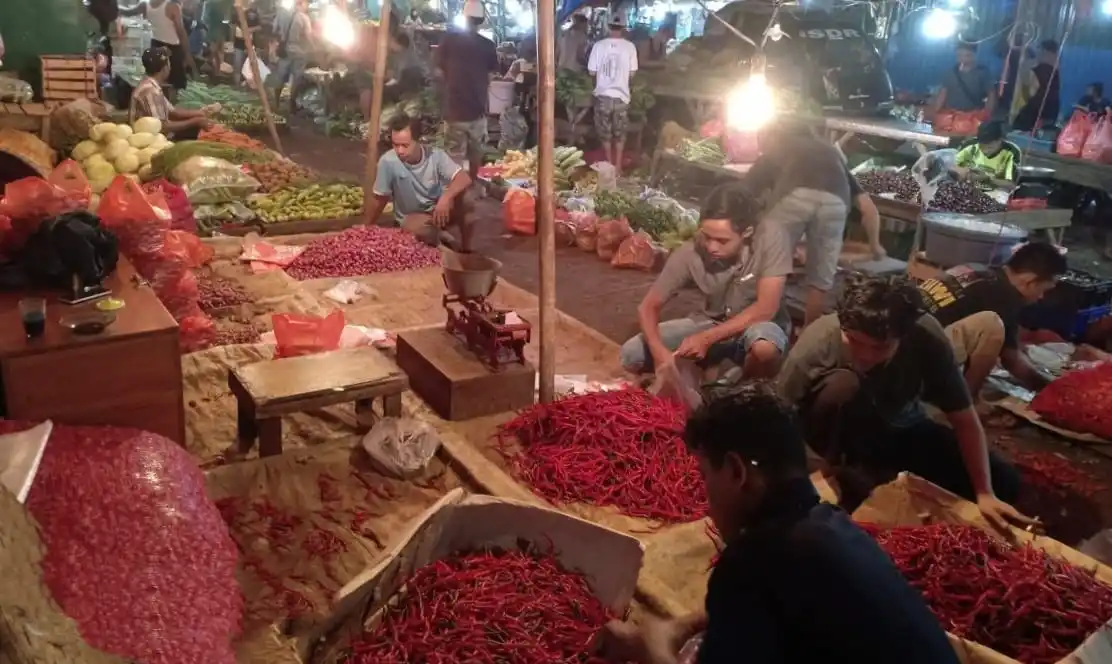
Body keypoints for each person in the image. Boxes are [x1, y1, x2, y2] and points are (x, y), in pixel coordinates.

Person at [594, 381, 961, 664]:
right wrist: (682, 625)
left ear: (737, 471)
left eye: (706, 475)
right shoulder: (831, 526)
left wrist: (651, 644)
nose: (706, 494)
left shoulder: (755, 558)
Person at [777, 274, 1035, 531]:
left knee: (1004, 482)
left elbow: (964, 419)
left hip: (899, 426)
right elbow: (775, 419)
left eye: (880, 347)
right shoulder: (818, 340)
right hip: (833, 436)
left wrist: (984, 492)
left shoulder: (926, 336)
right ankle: (847, 470)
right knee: (843, 385)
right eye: (855, 341)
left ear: (904, 334)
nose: (865, 355)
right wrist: (813, 467)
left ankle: (872, 471)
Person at [620, 184, 790, 379]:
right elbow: (648, 307)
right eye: (707, 236)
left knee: (764, 349)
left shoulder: (771, 238)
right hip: (711, 322)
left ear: (747, 233)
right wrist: (660, 355)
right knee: (631, 354)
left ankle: (745, 387)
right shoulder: (691, 252)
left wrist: (706, 339)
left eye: (722, 240)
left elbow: (765, 309)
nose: (711, 247)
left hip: (757, 325)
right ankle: (719, 368)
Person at [740, 121, 856, 327]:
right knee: (819, 279)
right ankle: (809, 333)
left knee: (772, 255)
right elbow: (866, 205)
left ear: (773, 135)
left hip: (797, 196)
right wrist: (875, 246)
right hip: (838, 203)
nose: (760, 146)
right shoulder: (829, 150)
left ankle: (761, 316)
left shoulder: (780, 146)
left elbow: (744, 193)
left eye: (761, 140)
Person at [921, 242, 1066, 399]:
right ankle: (967, 401)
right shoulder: (1005, 296)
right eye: (1043, 290)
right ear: (1029, 281)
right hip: (914, 358)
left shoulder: (976, 269)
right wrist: (1052, 389)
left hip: (901, 339)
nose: (1040, 297)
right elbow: (1011, 361)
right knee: (992, 327)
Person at [368, 114, 474, 252]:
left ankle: (466, 249)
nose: (400, 151)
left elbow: (464, 178)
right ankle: (442, 242)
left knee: (467, 200)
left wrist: (445, 198)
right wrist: (366, 227)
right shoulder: (388, 162)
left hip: (438, 211)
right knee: (422, 231)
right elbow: (380, 198)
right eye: (395, 145)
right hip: (413, 217)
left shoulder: (436, 156)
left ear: (418, 140)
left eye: (405, 145)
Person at [436, 0, 500, 184]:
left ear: (464, 17)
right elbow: (491, 76)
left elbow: (438, 72)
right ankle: (472, 184)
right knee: (475, 153)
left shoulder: (449, 39)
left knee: (454, 154)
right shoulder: (488, 45)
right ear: (481, 21)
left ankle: (454, 190)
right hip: (477, 108)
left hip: (454, 107)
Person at [588, 16, 638, 176]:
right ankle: (618, 167)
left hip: (603, 95)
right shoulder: (630, 47)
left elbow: (591, 71)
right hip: (622, 96)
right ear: (623, 28)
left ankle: (609, 164)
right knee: (620, 133)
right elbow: (632, 73)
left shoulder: (598, 46)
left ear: (608, 27)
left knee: (605, 132)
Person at [130, 46, 215, 138]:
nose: (170, 67)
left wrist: (201, 112)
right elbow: (163, 126)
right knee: (194, 130)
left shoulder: (151, 84)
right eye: (169, 63)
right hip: (151, 139)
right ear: (164, 68)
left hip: (155, 134)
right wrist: (195, 121)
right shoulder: (151, 91)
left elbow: (173, 112)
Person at [120, 0, 196, 100]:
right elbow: (181, 32)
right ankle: (172, 105)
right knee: (178, 83)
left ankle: (160, 102)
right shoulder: (173, 6)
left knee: (157, 78)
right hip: (173, 48)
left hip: (155, 46)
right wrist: (187, 54)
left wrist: (111, 5)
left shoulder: (145, 4)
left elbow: (127, 12)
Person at [930, 42, 996, 119]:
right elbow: (942, 94)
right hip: (951, 115)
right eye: (959, 55)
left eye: (966, 55)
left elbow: (991, 94)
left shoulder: (983, 73)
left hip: (973, 116)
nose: (962, 58)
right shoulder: (950, 73)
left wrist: (987, 114)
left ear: (973, 55)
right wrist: (935, 113)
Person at [268, 0, 313, 115]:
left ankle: (276, 102)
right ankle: (292, 104)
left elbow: (274, 30)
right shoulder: (304, 18)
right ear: (301, 3)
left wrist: (276, 45)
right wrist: (314, 48)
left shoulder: (282, 14)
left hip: (284, 51)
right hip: (299, 52)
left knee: (281, 76)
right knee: (297, 78)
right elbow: (308, 37)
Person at [952, 120, 1021, 188]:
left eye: (990, 147)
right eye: (981, 147)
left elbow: (1012, 185)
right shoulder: (970, 145)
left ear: (1000, 140)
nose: (985, 151)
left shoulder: (1011, 152)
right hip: (966, 188)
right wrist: (963, 172)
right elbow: (952, 166)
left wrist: (988, 179)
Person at [1013, 40, 1061, 132]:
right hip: (1051, 107)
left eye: (1039, 49)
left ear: (1045, 51)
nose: (1038, 52)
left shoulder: (1042, 69)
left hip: (1037, 108)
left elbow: (1031, 89)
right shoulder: (1055, 68)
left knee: (1021, 129)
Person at [231, 3, 260, 87]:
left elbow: (259, 26)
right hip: (238, 43)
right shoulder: (236, 11)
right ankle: (236, 85)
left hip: (250, 44)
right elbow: (233, 25)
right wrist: (232, 41)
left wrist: (251, 30)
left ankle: (246, 85)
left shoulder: (254, 12)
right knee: (237, 65)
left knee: (248, 67)